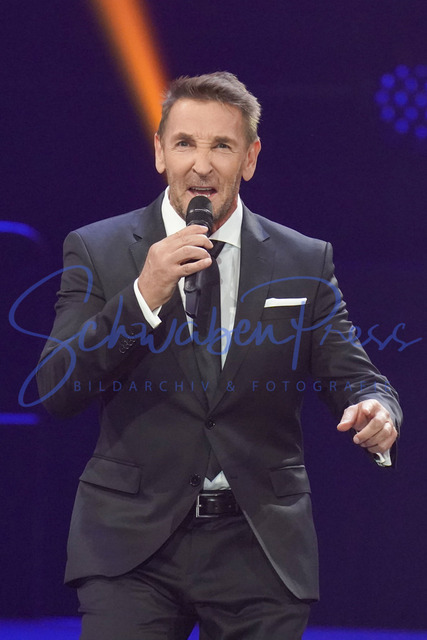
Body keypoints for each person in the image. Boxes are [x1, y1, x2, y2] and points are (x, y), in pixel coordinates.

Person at [37, 71, 401, 640]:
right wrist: (143, 294)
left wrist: (377, 408)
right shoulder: (98, 249)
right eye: (185, 143)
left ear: (249, 158)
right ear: (160, 152)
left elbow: (353, 374)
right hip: (132, 544)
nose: (201, 166)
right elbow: (58, 389)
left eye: (222, 146)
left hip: (259, 543)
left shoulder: (303, 260)